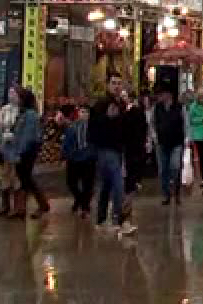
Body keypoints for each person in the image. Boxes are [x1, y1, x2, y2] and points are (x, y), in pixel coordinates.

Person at [89, 74, 135, 236]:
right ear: (107, 85)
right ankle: (121, 219)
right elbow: (93, 127)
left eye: (119, 83)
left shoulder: (121, 104)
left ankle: (101, 218)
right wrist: (107, 119)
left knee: (107, 185)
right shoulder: (101, 104)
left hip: (117, 148)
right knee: (117, 183)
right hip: (105, 148)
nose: (116, 86)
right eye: (113, 83)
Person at [10, 88, 49, 219]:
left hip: (27, 152)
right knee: (24, 179)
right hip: (22, 150)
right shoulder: (23, 113)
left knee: (27, 179)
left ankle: (42, 204)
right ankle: (23, 207)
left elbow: (28, 136)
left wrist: (19, 152)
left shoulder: (31, 115)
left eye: (18, 96)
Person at [151, 87, 187, 206]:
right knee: (163, 170)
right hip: (161, 143)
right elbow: (152, 123)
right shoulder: (156, 108)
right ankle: (166, 194)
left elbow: (185, 122)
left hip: (177, 142)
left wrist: (187, 138)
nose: (161, 96)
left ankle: (176, 192)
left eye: (164, 93)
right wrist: (154, 135)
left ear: (170, 95)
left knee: (175, 166)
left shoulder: (180, 107)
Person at [62, 104, 96, 218]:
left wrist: (93, 155)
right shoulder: (72, 127)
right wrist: (67, 155)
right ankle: (80, 199)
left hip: (88, 158)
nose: (84, 114)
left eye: (86, 112)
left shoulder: (93, 127)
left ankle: (85, 206)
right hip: (74, 158)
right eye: (82, 112)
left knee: (88, 184)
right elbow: (66, 142)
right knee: (71, 182)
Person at [0, 84, 21, 217]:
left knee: (15, 176)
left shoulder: (22, 110)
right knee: (5, 175)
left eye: (13, 93)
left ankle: (17, 207)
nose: (11, 96)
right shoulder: (4, 109)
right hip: (5, 146)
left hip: (17, 147)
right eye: (9, 93)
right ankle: (5, 205)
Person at [121, 91, 150, 198]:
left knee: (133, 166)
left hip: (134, 144)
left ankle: (132, 186)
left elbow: (142, 127)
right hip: (124, 144)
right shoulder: (120, 109)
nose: (123, 98)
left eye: (125, 96)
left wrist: (143, 140)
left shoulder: (136, 111)